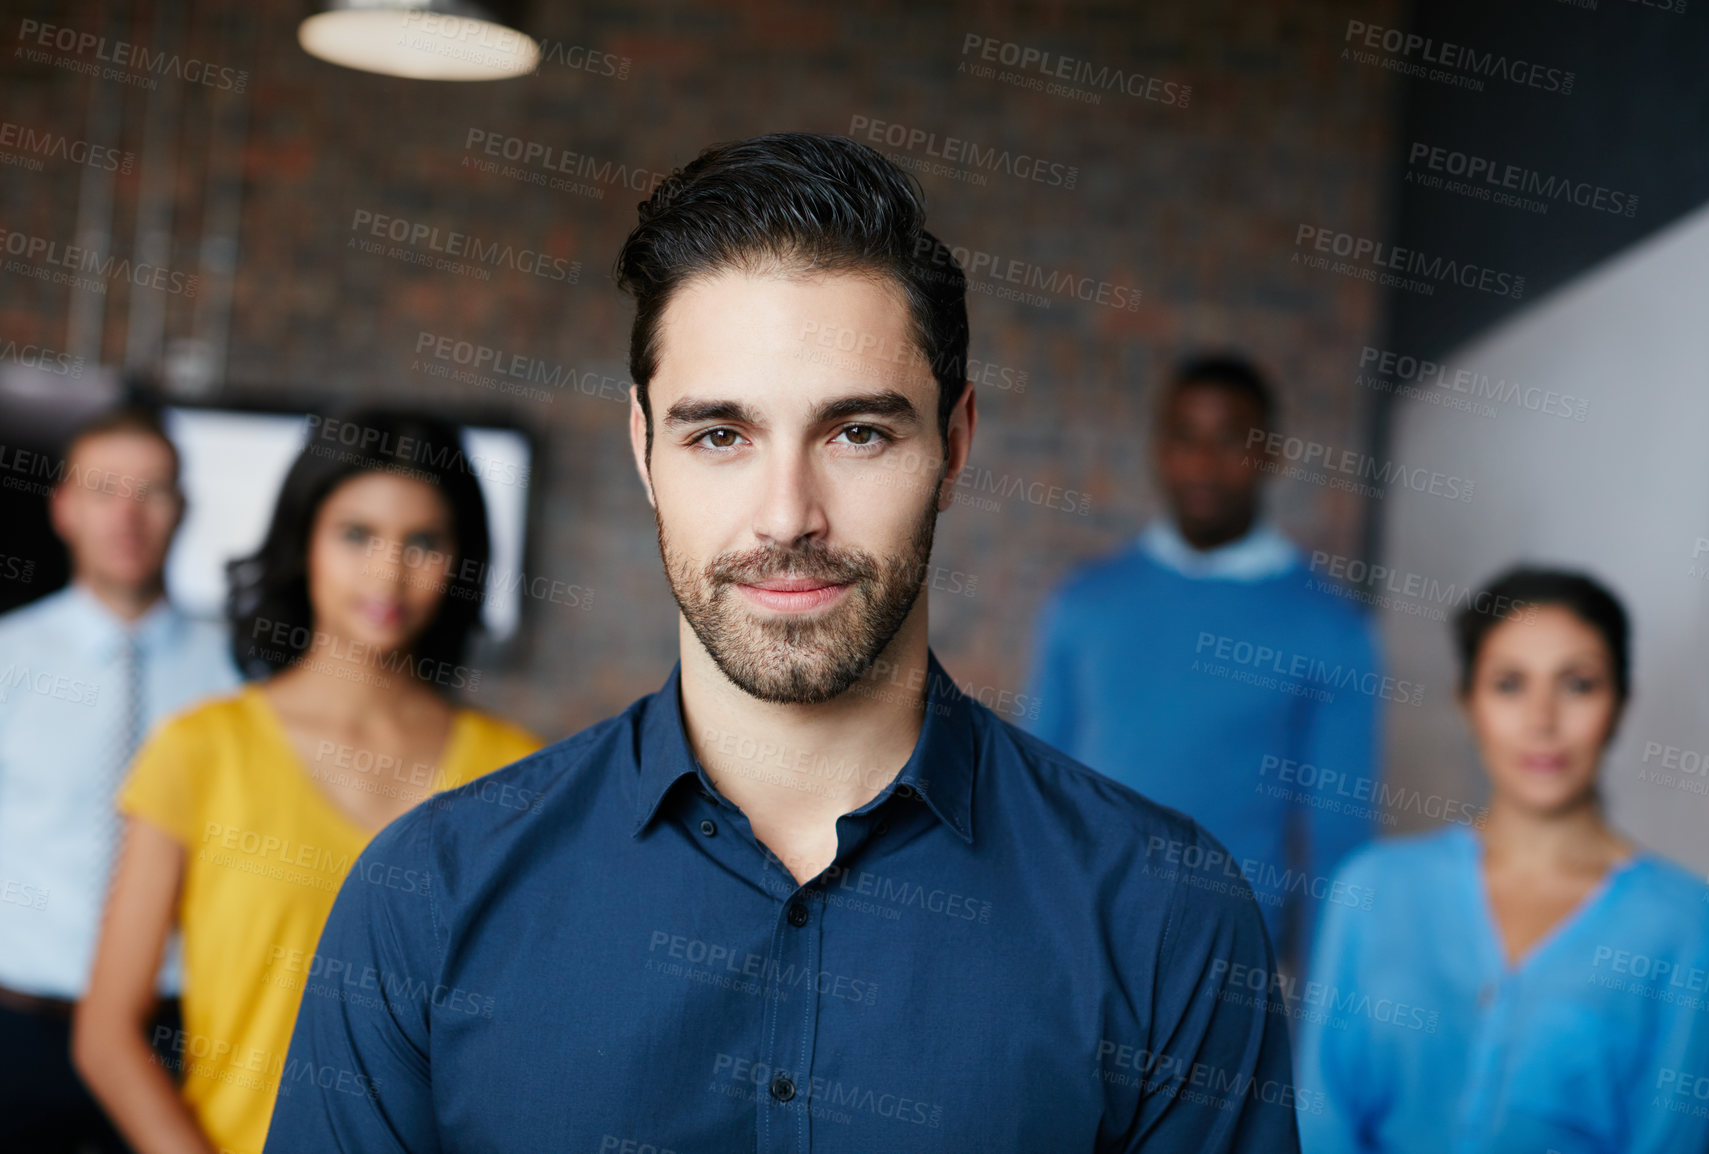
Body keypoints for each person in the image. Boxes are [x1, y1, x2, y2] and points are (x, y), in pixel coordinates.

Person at [262, 133, 1298, 1153]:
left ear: (955, 444)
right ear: (645, 449)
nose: (787, 514)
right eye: (720, 434)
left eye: (857, 432)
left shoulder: (1167, 911)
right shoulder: (426, 897)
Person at [72, 409, 543, 1154]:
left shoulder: (517, 774)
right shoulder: (201, 750)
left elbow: (520, 1038)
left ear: (461, 560)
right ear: (305, 544)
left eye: (423, 541)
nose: (388, 570)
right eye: (356, 534)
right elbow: (106, 1035)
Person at [1298, 567, 1709, 1153]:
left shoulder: (1688, 924)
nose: (1542, 722)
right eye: (1509, 684)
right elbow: (1318, 1119)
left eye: (1577, 685)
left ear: (1621, 702)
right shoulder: (1372, 888)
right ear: (1467, 701)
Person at [1023, 355, 1384, 963]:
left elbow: (1338, 848)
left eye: (1230, 441)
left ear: (1271, 454)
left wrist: (1318, 1027)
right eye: (1184, 437)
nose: (1203, 463)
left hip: (1226, 972)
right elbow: (1033, 796)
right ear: (1159, 448)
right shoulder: (1085, 604)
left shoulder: (1330, 630)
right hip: (1077, 957)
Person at [0, 404, 239, 1152]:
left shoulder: (243, 672)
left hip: (180, 1034)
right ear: (64, 507)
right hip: (18, 1032)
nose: (128, 516)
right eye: (105, 490)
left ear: (184, 510)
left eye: (153, 491)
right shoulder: (7, 657)